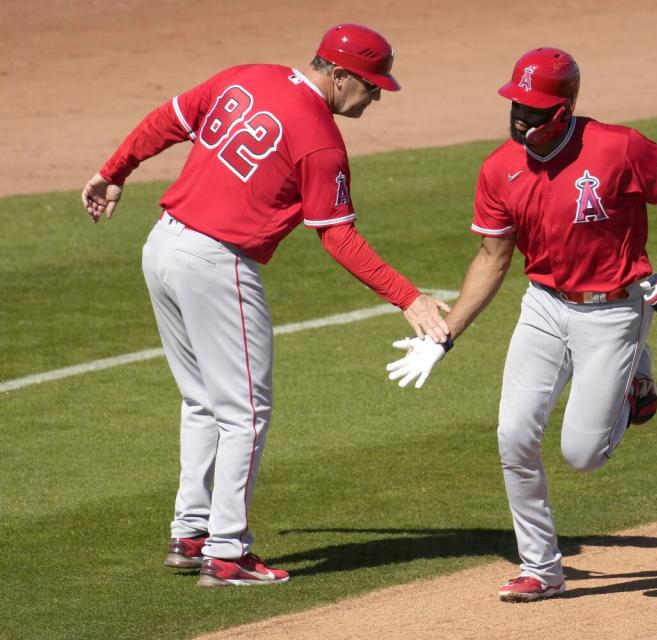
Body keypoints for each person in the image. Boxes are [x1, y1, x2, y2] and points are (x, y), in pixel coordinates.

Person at [81, 23, 451, 588]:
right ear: (340, 74)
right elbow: (338, 237)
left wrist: (113, 173)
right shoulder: (321, 140)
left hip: (162, 245)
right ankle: (227, 552)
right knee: (246, 412)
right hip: (216, 263)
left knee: (204, 400)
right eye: (372, 85)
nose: (376, 95)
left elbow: (165, 120)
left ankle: (192, 531)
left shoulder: (245, 76)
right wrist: (408, 296)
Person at [386, 47, 657, 601]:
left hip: (612, 311)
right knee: (513, 435)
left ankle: (636, 377)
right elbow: (492, 258)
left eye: (533, 110)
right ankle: (541, 567)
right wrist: (444, 336)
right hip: (543, 307)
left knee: (582, 456)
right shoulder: (499, 169)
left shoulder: (618, 146)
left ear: (563, 111)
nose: (520, 117)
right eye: (516, 104)